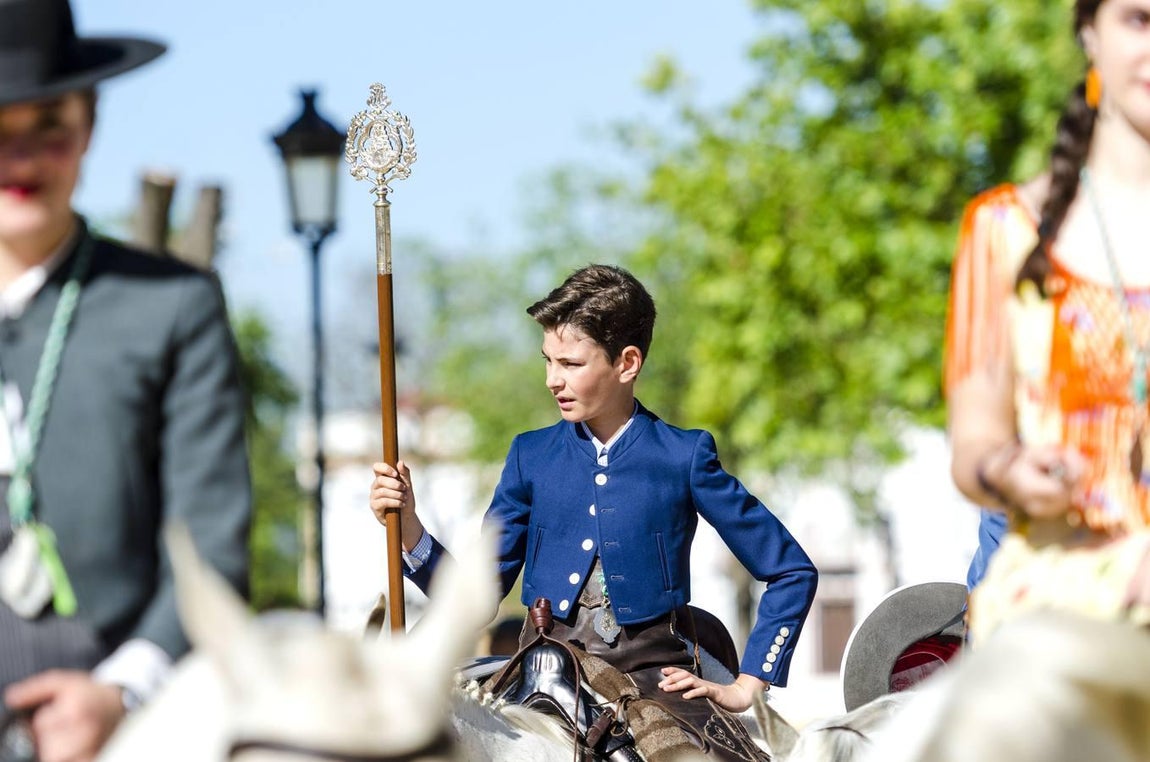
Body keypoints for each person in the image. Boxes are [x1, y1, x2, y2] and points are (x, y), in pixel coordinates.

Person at [371, 264, 817, 760]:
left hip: (653, 682)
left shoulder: (683, 455)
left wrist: (748, 684)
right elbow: (474, 598)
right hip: (535, 671)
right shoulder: (530, 456)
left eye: (570, 364)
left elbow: (791, 571)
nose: (551, 380)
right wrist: (408, 526)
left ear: (627, 363)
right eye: (547, 361)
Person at [0, 2, 251, 760]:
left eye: (51, 126)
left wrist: (122, 692)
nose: (22, 160)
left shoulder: (170, 304)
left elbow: (209, 544)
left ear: (91, 125)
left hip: (112, 712)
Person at [946, 0, 1150, 644]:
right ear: (1089, 31)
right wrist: (1010, 470)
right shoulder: (1003, 231)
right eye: (1140, 19)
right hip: (1061, 625)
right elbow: (973, 446)